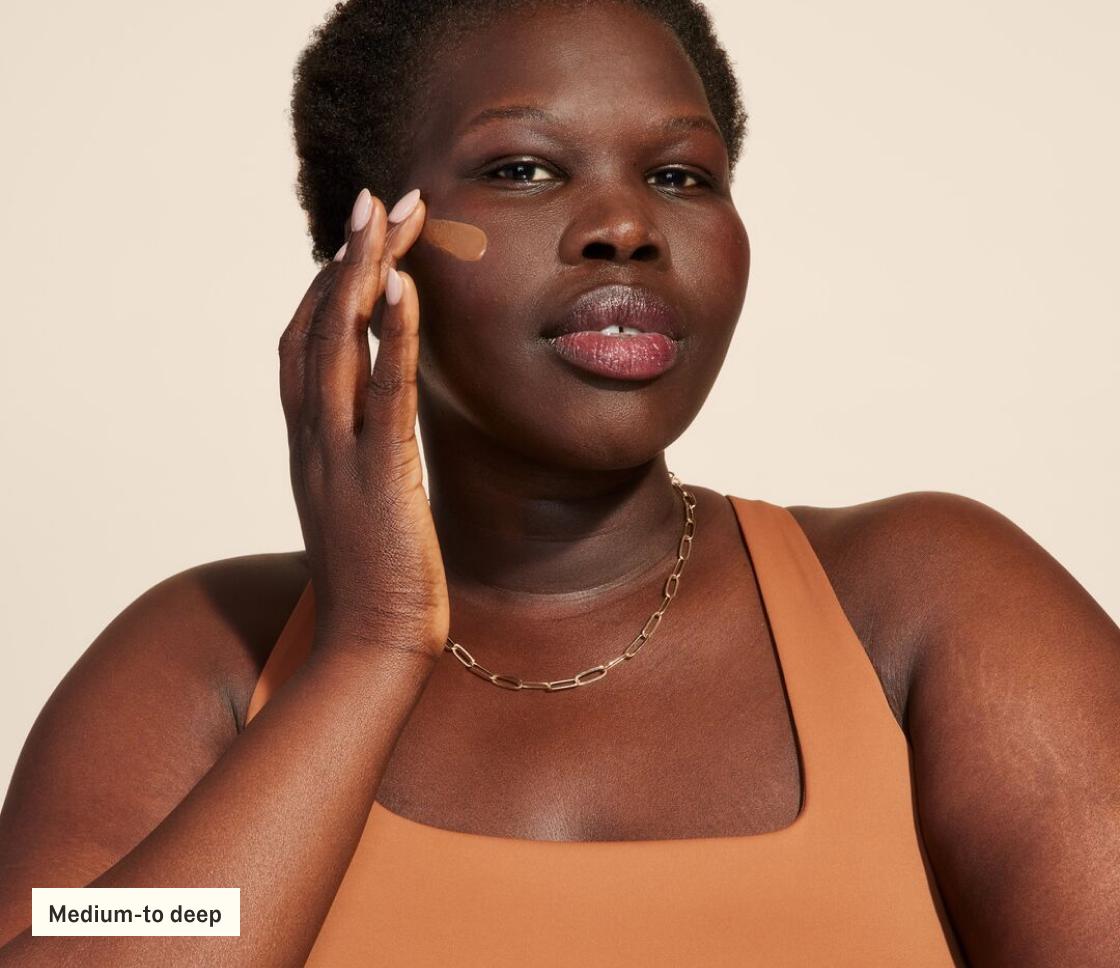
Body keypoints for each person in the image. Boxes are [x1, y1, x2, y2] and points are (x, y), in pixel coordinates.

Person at [1, 0, 1117, 965]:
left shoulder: (927, 607)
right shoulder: (200, 663)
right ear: (371, 245)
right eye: (522, 168)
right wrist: (367, 648)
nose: (626, 227)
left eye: (680, 175)